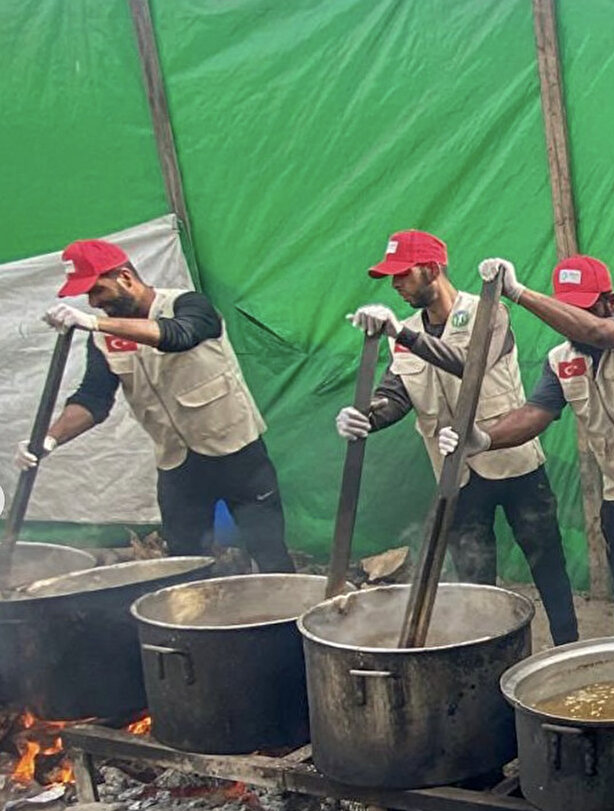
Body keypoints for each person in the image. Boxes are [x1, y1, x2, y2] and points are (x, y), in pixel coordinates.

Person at [438, 255, 614, 647]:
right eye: (566, 307)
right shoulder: (562, 362)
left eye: (583, 307)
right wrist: (482, 438)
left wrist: (519, 294)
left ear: (610, 302)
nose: (573, 319)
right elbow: (533, 415)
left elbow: (598, 332)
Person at [335, 230, 579, 645]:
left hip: (513, 462)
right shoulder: (407, 332)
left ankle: (569, 650)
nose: (394, 285)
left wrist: (402, 334)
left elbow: (469, 365)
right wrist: (365, 417)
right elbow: (395, 395)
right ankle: (490, 655)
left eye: (402, 275)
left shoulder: (488, 312)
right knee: (474, 579)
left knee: (547, 565)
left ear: (431, 269)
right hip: (455, 474)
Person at [13, 238, 294, 572]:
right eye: (88, 297)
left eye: (98, 291)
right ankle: (200, 621)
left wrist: (93, 322)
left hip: (237, 454)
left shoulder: (189, 305)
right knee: (185, 563)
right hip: (177, 465)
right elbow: (94, 399)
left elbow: (179, 335)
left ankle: (283, 618)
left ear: (126, 278)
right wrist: (49, 438)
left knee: (269, 551)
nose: (94, 302)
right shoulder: (103, 338)